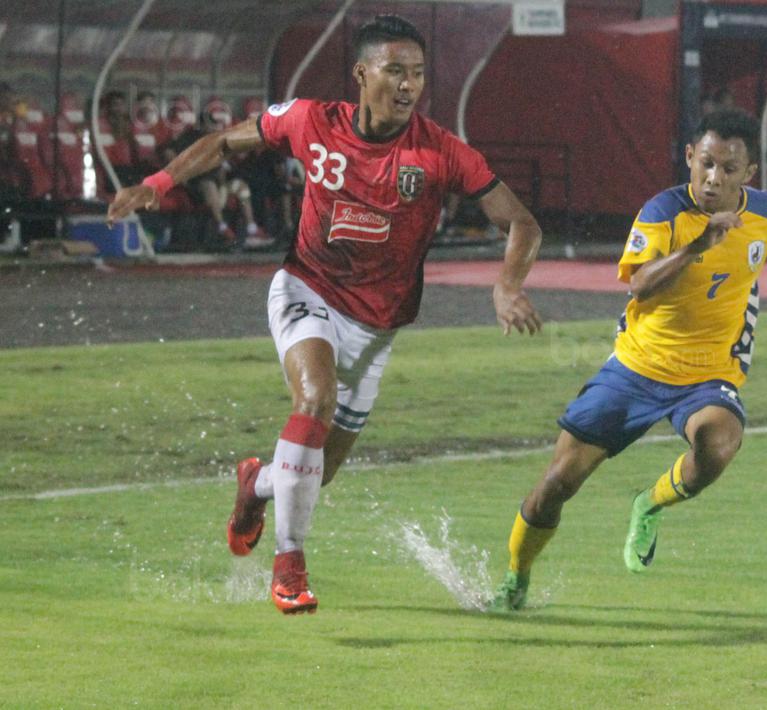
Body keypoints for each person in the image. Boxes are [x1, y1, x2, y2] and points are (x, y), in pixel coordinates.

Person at [106, 14, 543, 614]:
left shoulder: (440, 151)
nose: (409, 85)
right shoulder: (312, 120)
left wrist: (507, 285)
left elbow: (521, 222)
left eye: (418, 73)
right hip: (306, 287)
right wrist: (159, 182)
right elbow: (229, 140)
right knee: (314, 399)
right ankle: (289, 567)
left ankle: (256, 484)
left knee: (315, 470)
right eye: (395, 71)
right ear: (362, 73)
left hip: (376, 328)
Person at [490, 109, 767, 611]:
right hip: (636, 369)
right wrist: (697, 246)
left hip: (709, 374)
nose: (714, 178)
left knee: (718, 446)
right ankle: (516, 575)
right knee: (556, 485)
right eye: (706, 163)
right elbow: (639, 283)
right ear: (689, 157)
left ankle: (648, 504)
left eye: (729, 168)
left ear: (749, 173)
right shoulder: (663, 211)